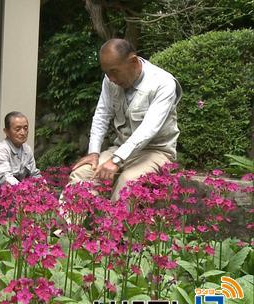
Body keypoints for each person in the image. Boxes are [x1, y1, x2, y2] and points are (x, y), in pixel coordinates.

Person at [67, 38, 182, 201]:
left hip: (155, 151)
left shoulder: (163, 84)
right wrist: (94, 152)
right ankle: (70, 225)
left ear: (133, 61)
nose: (111, 78)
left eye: (114, 71)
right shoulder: (110, 79)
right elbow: (102, 114)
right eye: (106, 73)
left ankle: (112, 226)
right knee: (82, 173)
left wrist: (116, 160)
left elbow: (148, 129)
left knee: (127, 182)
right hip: (120, 148)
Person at [0, 111, 41, 185]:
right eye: (18, 129)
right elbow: (5, 178)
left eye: (25, 128)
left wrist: (42, 185)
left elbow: (34, 174)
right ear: (6, 131)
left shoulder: (27, 149)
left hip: (21, 191)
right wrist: (25, 190)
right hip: (1, 192)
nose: (23, 133)